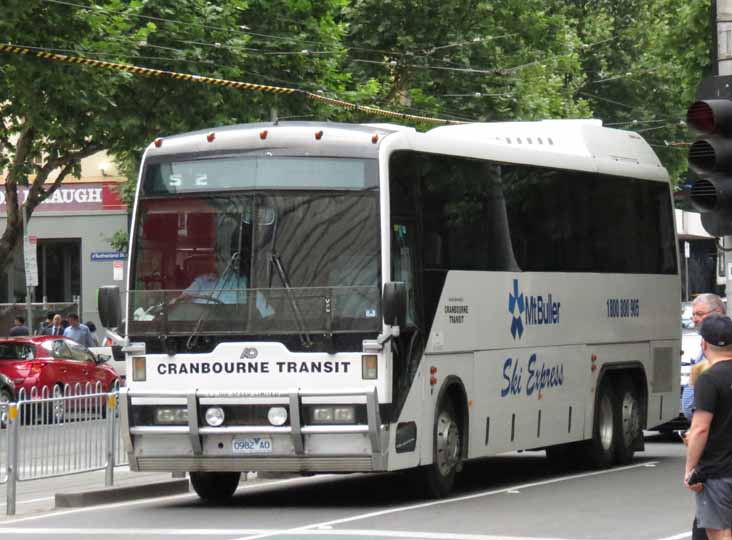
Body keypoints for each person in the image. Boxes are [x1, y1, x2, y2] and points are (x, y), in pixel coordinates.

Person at [684, 314, 732, 540]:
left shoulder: (709, 379)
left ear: (703, 344)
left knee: (720, 534)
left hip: (717, 470)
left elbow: (700, 429)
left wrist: (690, 469)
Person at [681, 294, 725, 420]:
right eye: (693, 315)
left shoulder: (722, 344)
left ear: (717, 313)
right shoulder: (705, 343)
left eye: (700, 314)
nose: (695, 319)